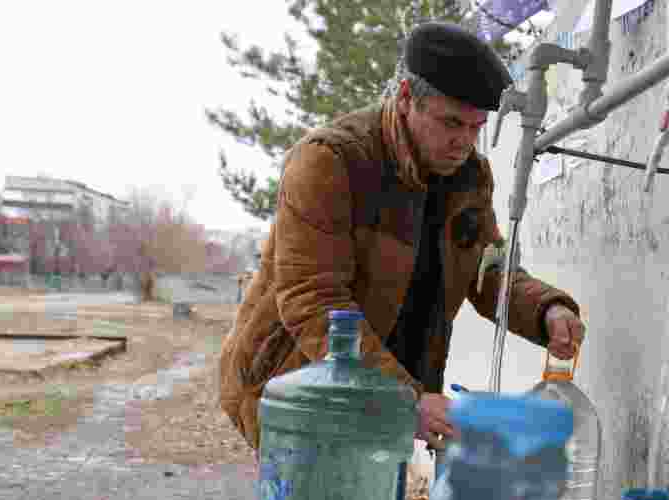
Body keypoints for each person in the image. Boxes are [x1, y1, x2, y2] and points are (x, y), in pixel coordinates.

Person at [218, 21, 585, 453]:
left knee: (377, 497)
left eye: (476, 127)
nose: (464, 142)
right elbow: (312, 298)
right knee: (322, 499)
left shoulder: (469, 176)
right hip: (301, 392)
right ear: (407, 97)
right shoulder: (331, 161)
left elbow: (486, 271)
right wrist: (404, 398)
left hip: (390, 398)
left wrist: (546, 310)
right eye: (451, 122)